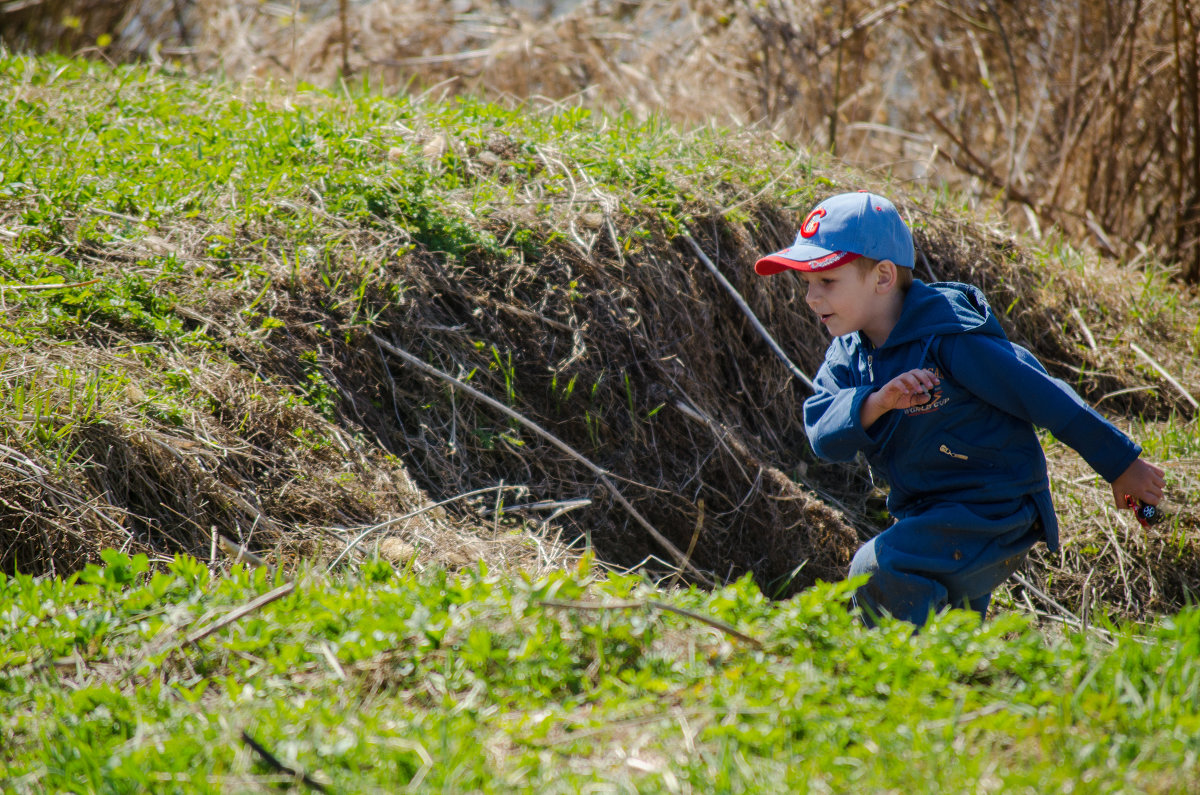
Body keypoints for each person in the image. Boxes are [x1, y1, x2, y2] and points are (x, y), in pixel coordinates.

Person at [754, 191, 1166, 627]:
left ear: (882, 276)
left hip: (994, 509)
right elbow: (821, 433)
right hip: (928, 515)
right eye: (807, 285)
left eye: (827, 281)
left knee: (875, 569)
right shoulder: (848, 355)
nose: (811, 298)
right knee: (950, 636)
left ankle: (882, 680)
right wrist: (877, 402)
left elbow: (1043, 395)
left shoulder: (949, 337)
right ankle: (945, 683)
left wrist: (1120, 464)